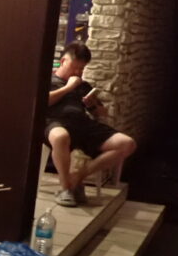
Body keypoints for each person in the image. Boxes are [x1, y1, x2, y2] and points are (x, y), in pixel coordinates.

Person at [45, 41, 136, 206]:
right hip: (55, 122)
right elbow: (42, 103)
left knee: (127, 144)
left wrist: (92, 105)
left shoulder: (83, 86)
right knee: (60, 137)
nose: (78, 73)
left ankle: (78, 176)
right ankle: (66, 188)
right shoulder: (48, 80)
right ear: (64, 61)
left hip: (83, 125)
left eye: (82, 69)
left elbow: (102, 113)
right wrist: (68, 88)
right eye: (75, 67)